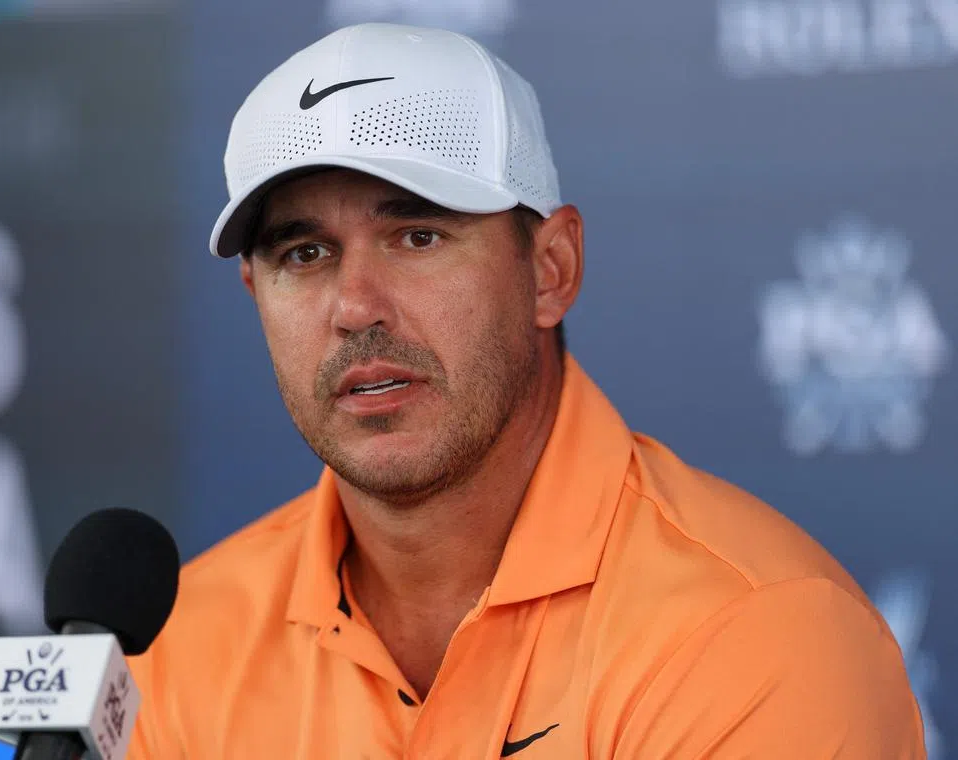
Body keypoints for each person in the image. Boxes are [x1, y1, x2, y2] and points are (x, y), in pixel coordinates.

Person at [127, 22, 926, 759]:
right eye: (303, 254)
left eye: (418, 235)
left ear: (552, 271)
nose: (354, 306)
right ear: (254, 294)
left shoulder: (757, 633)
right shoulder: (175, 645)